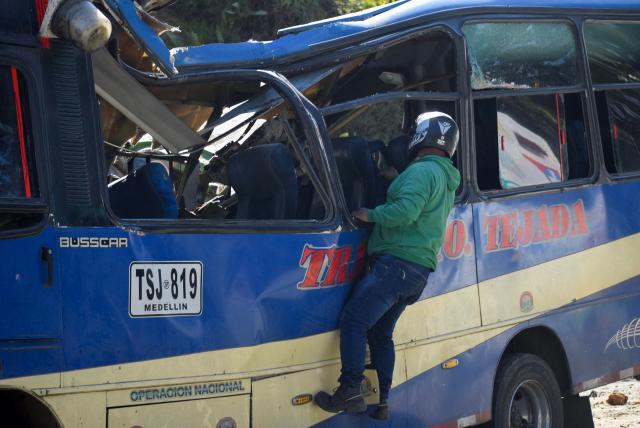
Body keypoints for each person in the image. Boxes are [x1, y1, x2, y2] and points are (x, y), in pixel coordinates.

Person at [314, 112, 461, 420]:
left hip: (397, 264)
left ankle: (351, 388)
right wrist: (397, 179)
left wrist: (371, 214)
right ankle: (383, 402)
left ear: (424, 136)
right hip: (417, 271)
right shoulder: (440, 173)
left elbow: (407, 212)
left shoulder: (422, 172)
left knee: (354, 320)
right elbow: (420, 202)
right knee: (381, 334)